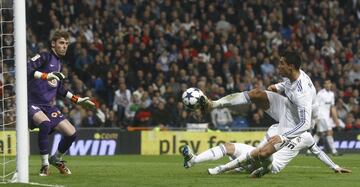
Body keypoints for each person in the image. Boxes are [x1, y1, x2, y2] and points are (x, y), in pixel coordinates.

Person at [184, 51, 317, 177]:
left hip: (295, 122)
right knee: (256, 94)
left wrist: (283, 137)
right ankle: (213, 104)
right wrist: (277, 87)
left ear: (291, 66)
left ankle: (248, 168)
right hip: (287, 107)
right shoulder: (293, 75)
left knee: (264, 152)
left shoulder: (302, 93)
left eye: (282, 63)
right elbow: (288, 84)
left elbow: (305, 124)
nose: (279, 66)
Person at [27, 30, 95, 176]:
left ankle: (56, 159)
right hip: (32, 103)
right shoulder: (44, 56)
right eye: (61, 43)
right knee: (45, 124)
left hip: (48, 106)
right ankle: (44, 165)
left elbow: (59, 88)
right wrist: (46, 75)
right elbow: (26, 68)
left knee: (71, 133)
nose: (64, 46)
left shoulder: (58, 63)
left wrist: (78, 100)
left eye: (66, 44)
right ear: (53, 44)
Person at [181, 130, 351, 175]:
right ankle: (193, 160)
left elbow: (318, 153)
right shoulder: (276, 127)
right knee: (228, 146)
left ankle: (221, 169)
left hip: (272, 165)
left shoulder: (306, 137)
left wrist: (334, 166)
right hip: (258, 155)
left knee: (263, 155)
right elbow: (261, 146)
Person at [313, 80, 342, 155]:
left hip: (326, 116)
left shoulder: (332, 94)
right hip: (321, 116)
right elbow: (316, 105)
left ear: (331, 84)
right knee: (329, 132)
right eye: (326, 83)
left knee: (319, 133)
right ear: (324, 85)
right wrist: (315, 117)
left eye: (329, 83)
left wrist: (336, 119)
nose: (328, 85)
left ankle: (309, 150)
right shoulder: (320, 93)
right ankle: (334, 151)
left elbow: (332, 107)